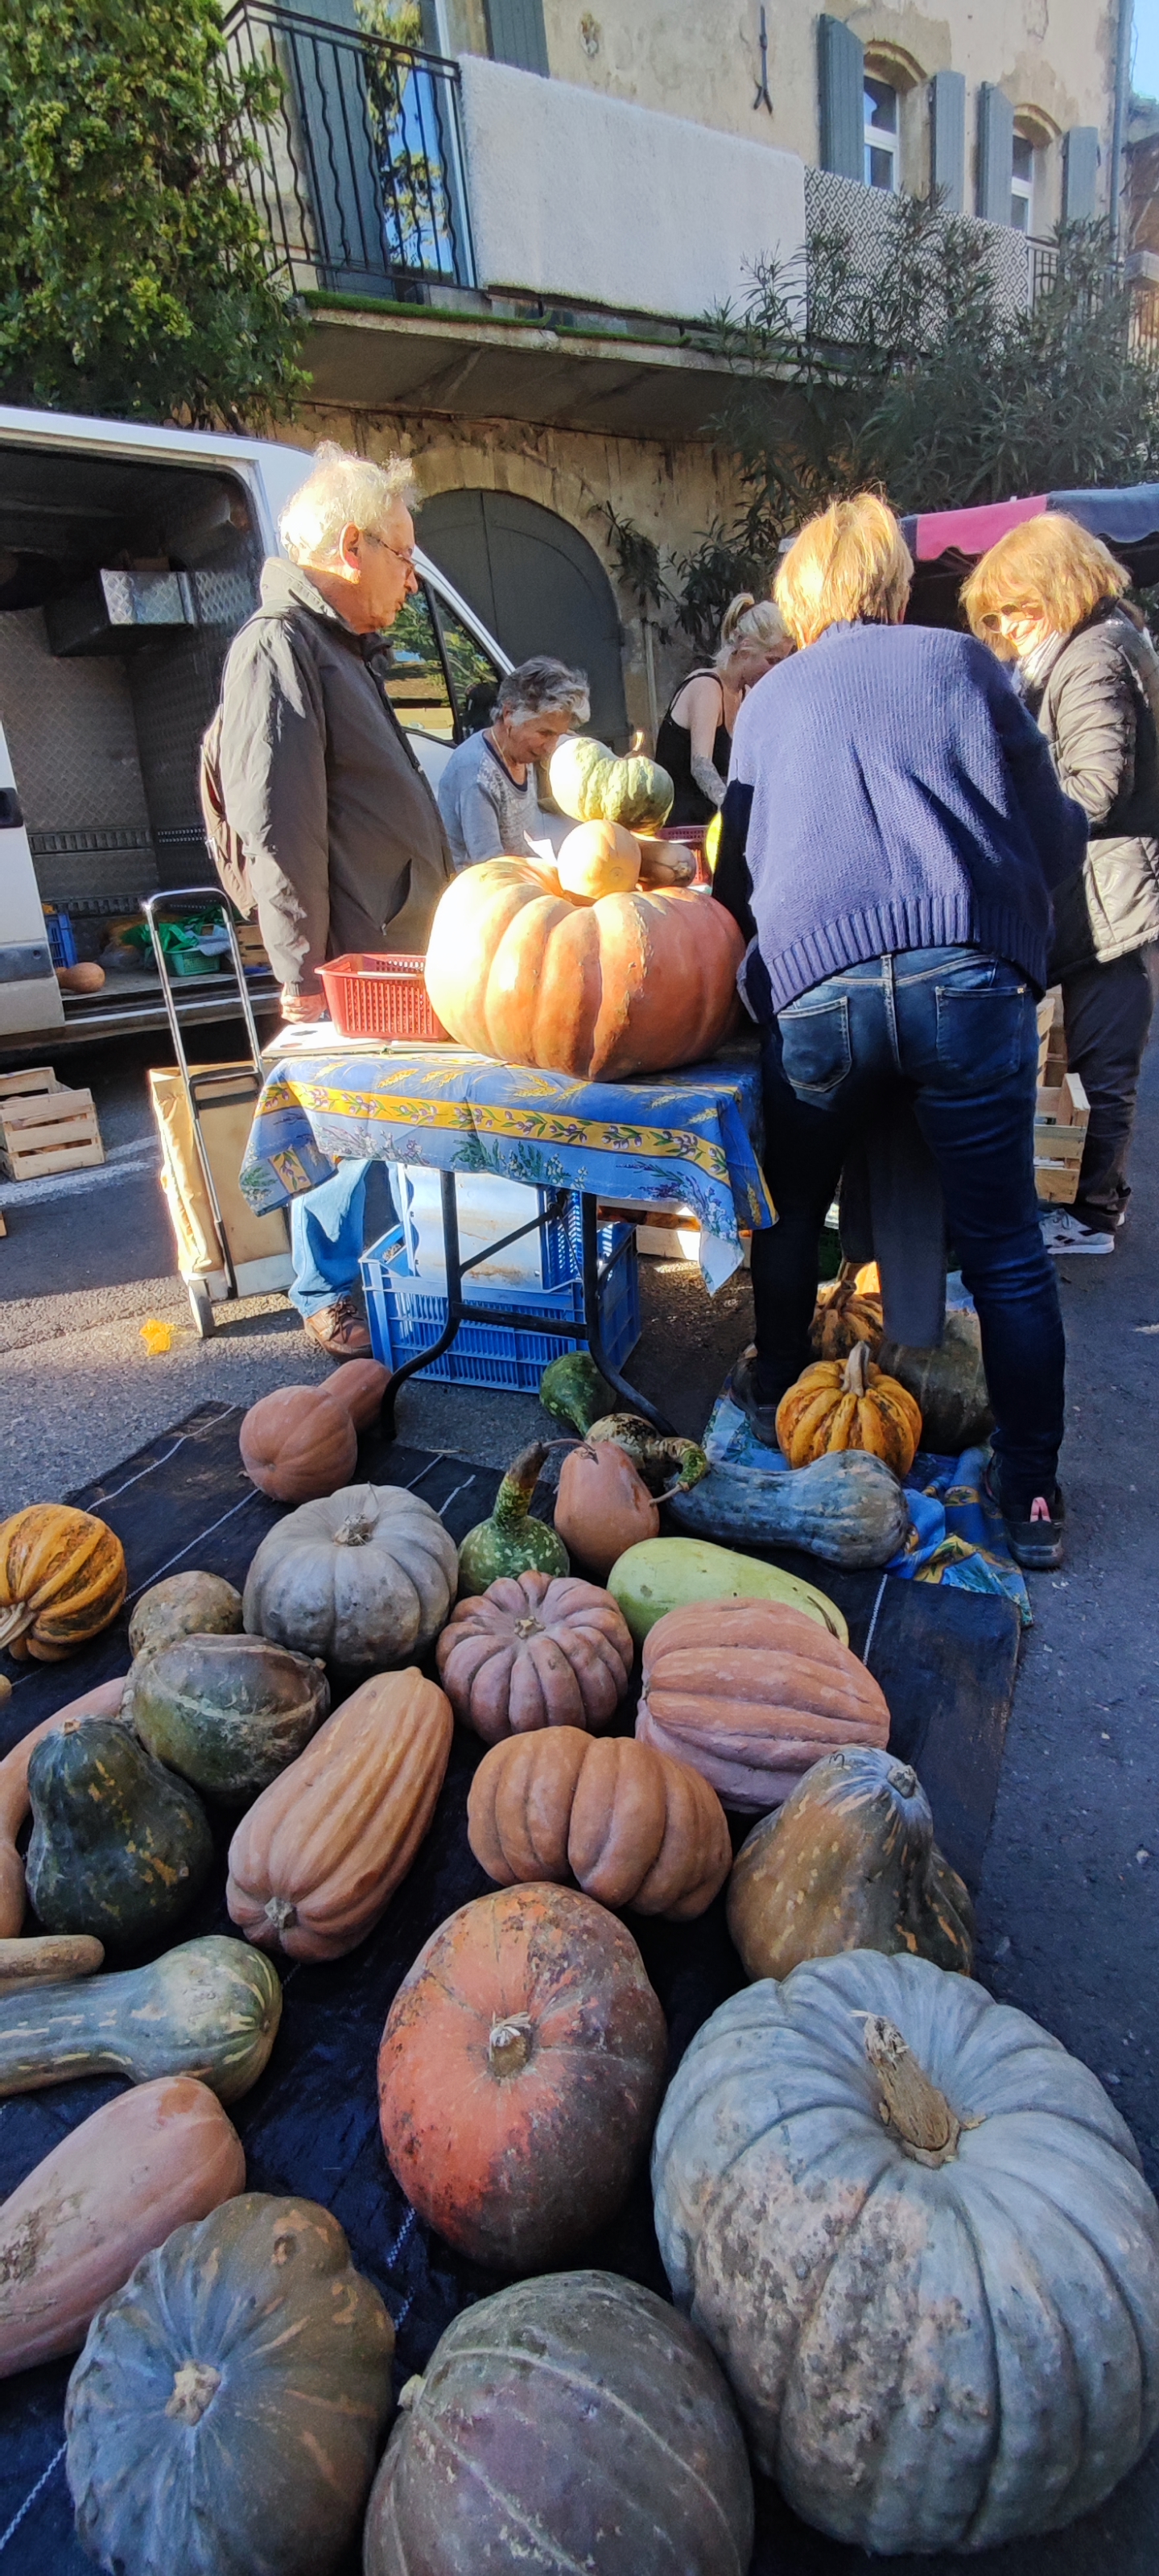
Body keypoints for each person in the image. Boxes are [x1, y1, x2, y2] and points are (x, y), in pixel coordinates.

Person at [713, 493, 1087, 1571]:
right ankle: (1033, 1497)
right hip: (967, 981)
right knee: (1010, 1248)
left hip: (820, 987)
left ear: (804, 601)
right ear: (892, 581)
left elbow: (738, 879)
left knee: (787, 1221)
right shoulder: (966, 668)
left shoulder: (775, 699)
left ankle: (784, 1410)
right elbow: (1055, 834)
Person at [214, 442, 456, 1358]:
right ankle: (324, 1290)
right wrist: (301, 983)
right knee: (338, 1136)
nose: (412, 578)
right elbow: (280, 833)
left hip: (385, 948)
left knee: (380, 1142)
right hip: (346, 962)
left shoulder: (333, 645)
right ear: (352, 548)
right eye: (405, 555)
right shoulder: (277, 647)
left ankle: (389, 1284)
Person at [962, 515, 1159, 1255]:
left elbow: (1097, 783)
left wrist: (1014, 806)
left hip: (1113, 893)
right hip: (1105, 888)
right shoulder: (1108, 642)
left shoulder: (1093, 658)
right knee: (1090, 1061)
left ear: (1048, 593)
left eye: (1012, 610)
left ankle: (1091, 1217)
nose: (1007, 629)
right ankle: (1090, 1203)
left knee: (1102, 1064)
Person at [437, 658, 590, 867]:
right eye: (545, 733)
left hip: (524, 872)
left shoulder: (519, 748)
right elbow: (492, 867)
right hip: (486, 889)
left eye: (557, 735)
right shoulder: (477, 776)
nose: (550, 746)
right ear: (509, 714)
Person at [654, 594, 792, 824]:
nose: (776, 671)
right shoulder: (707, 687)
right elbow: (701, 766)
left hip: (709, 822)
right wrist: (736, 812)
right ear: (745, 650)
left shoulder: (744, 694)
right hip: (681, 824)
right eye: (772, 660)